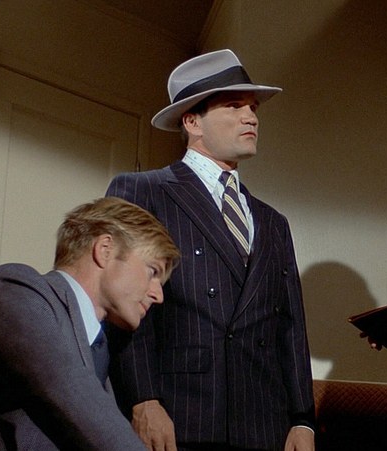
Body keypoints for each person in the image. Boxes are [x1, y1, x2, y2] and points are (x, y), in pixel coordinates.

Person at [105, 49, 315, 451]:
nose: (251, 117)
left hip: (264, 425)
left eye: (253, 108)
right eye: (234, 106)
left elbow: (290, 327)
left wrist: (302, 420)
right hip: (179, 417)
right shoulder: (143, 191)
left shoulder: (274, 222)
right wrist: (142, 399)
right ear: (192, 122)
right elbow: (122, 305)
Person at [0, 197, 180, 450]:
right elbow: (76, 398)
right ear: (105, 249)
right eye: (153, 272)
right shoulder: (13, 291)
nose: (158, 295)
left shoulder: (101, 348)